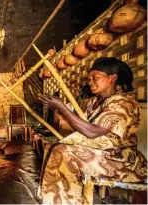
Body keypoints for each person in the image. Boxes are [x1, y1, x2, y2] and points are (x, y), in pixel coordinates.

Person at [37, 57, 147, 204]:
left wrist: (62, 106)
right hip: (100, 153)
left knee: (65, 152)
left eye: (96, 77)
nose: (91, 82)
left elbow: (92, 132)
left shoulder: (124, 103)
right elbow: (78, 124)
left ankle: (69, 201)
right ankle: (54, 199)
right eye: (89, 78)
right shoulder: (94, 102)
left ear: (112, 78)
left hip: (121, 161)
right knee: (52, 147)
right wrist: (57, 108)